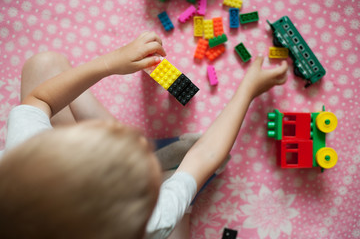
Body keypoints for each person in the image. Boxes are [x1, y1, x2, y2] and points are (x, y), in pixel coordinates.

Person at [0, 31, 288, 239]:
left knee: (43, 65)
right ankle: (168, 174)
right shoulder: (155, 220)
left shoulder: (20, 159)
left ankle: (162, 167)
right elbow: (206, 155)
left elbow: (40, 100)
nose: (137, 139)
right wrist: (248, 90)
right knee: (190, 183)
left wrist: (110, 63)